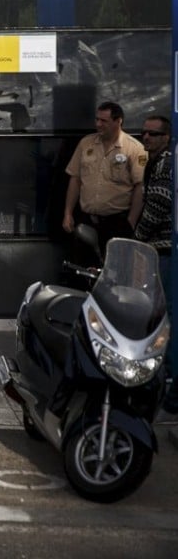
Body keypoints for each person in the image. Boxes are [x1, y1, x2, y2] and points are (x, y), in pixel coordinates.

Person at [133, 115, 177, 412]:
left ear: (166, 137)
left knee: (163, 316)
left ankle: (168, 384)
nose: (146, 138)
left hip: (162, 251)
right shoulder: (156, 161)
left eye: (153, 134)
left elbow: (158, 206)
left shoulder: (165, 164)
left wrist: (136, 238)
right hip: (159, 249)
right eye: (144, 133)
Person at [62, 102, 146, 255]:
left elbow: (140, 187)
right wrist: (68, 213)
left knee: (115, 270)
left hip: (117, 221)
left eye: (104, 121)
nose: (98, 124)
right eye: (97, 120)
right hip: (88, 220)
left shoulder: (134, 148)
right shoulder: (86, 143)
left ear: (118, 121)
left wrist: (131, 223)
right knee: (83, 268)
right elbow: (75, 179)